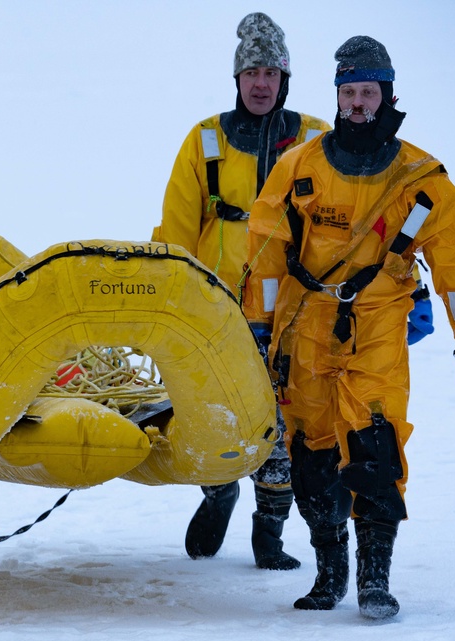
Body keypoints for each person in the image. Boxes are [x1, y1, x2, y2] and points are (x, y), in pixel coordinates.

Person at [242, 36, 455, 619]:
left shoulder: (419, 178)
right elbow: (265, 255)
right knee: (310, 458)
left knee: (376, 448)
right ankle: (329, 574)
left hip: (379, 328)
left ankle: (375, 581)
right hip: (305, 331)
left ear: (388, 94)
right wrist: (258, 328)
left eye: (368, 92)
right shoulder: (298, 167)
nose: (358, 103)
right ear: (337, 95)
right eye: (349, 91)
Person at [153, 12, 330, 570]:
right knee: (216, 410)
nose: (260, 83)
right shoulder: (205, 140)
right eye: (250, 71)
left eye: (270, 73)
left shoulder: (316, 139)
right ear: (236, 78)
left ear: (285, 79)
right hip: (218, 308)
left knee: (283, 416)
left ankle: (270, 532)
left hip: (294, 309)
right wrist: (163, 300)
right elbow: (177, 231)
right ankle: (217, 492)